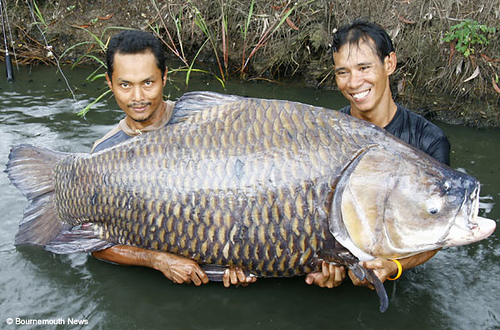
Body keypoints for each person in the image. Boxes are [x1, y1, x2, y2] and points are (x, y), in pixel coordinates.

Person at [90, 29, 256, 288]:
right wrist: (158, 260)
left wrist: (245, 257)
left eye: (148, 83)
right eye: (125, 85)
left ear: (165, 77)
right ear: (109, 82)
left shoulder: (206, 124)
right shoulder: (102, 154)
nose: (138, 98)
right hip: (150, 292)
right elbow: (95, 246)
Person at [305, 20, 451, 289]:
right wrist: (319, 264)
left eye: (364, 68)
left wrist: (395, 267)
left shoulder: (428, 140)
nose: (354, 83)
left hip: (401, 281)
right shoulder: (324, 137)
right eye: (343, 72)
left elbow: (439, 226)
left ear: (389, 64)